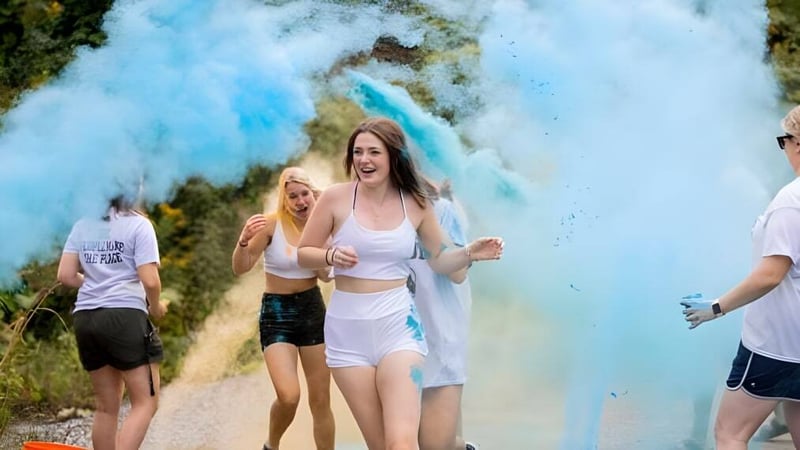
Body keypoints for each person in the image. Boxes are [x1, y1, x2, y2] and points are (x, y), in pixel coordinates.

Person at [297, 117, 504, 450]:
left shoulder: (416, 203)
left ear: (394, 156)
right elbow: (304, 254)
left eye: (374, 152)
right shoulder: (334, 199)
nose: (364, 160)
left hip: (399, 327)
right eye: (358, 152)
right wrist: (329, 256)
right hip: (347, 334)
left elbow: (439, 260)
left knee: (402, 444)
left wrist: (469, 253)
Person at [681, 105, 800, 449]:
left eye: (785, 140)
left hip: (777, 343)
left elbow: (770, 275)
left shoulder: (790, 201)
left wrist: (716, 307)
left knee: (730, 433)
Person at [232, 166, 335, 450]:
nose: (301, 201)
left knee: (321, 399)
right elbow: (240, 268)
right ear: (284, 199)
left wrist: (327, 235)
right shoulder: (270, 225)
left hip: (312, 310)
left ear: (314, 195)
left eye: (305, 194)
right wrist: (242, 241)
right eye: (293, 196)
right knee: (289, 395)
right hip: (277, 313)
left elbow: (327, 275)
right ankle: (272, 444)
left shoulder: (322, 226)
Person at [57, 194, 167, 450]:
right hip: (124, 317)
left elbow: (65, 275)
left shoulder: (83, 224)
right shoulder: (139, 225)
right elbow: (150, 280)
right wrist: (155, 306)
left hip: (86, 318)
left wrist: (96, 285)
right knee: (145, 403)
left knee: (106, 407)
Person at [407, 178, 477, 450]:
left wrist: (428, 233)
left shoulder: (442, 210)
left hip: (440, 325)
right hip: (397, 333)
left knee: (434, 441)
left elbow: (459, 273)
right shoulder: (373, 214)